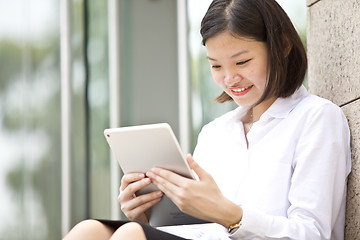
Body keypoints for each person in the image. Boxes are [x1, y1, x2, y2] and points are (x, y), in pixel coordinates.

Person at [63, 0, 351, 239]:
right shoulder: (215, 133)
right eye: (216, 65)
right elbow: (194, 230)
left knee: (129, 236)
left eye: (242, 62)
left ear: (284, 46)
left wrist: (229, 214)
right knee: (89, 231)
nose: (229, 79)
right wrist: (147, 214)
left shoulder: (316, 118)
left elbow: (313, 233)